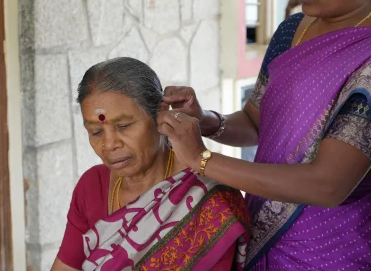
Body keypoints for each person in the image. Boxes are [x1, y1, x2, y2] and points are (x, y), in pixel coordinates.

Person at [157, 0, 371, 270]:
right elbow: (256, 122)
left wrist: (201, 159)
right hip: (264, 238)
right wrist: (207, 121)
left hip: (338, 252)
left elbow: (327, 185)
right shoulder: (292, 31)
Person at [50, 57, 251, 271]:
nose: (109, 145)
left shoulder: (211, 199)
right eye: (96, 132)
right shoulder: (92, 186)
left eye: (124, 126)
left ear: (160, 116)